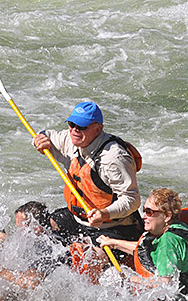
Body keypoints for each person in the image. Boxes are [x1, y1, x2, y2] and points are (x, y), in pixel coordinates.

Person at [32, 101, 143, 247]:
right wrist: (39, 140)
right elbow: (45, 135)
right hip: (79, 220)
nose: (75, 130)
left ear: (98, 129)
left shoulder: (112, 159)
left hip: (114, 228)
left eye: (82, 127)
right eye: (72, 124)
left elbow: (132, 199)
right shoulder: (70, 140)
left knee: (88, 258)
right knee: (38, 227)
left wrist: (104, 213)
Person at [97, 188, 188, 301]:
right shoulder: (178, 230)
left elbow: (166, 284)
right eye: (144, 210)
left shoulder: (168, 242)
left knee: (112, 277)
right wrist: (114, 243)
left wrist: (130, 280)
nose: (143, 216)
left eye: (149, 212)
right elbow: (147, 251)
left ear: (166, 216)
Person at [0, 201, 58, 290]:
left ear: (37, 227)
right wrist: (7, 239)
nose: (18, 231)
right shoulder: (40, 238)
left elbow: (31, 282)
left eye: (21, 227)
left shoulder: (48, 245)